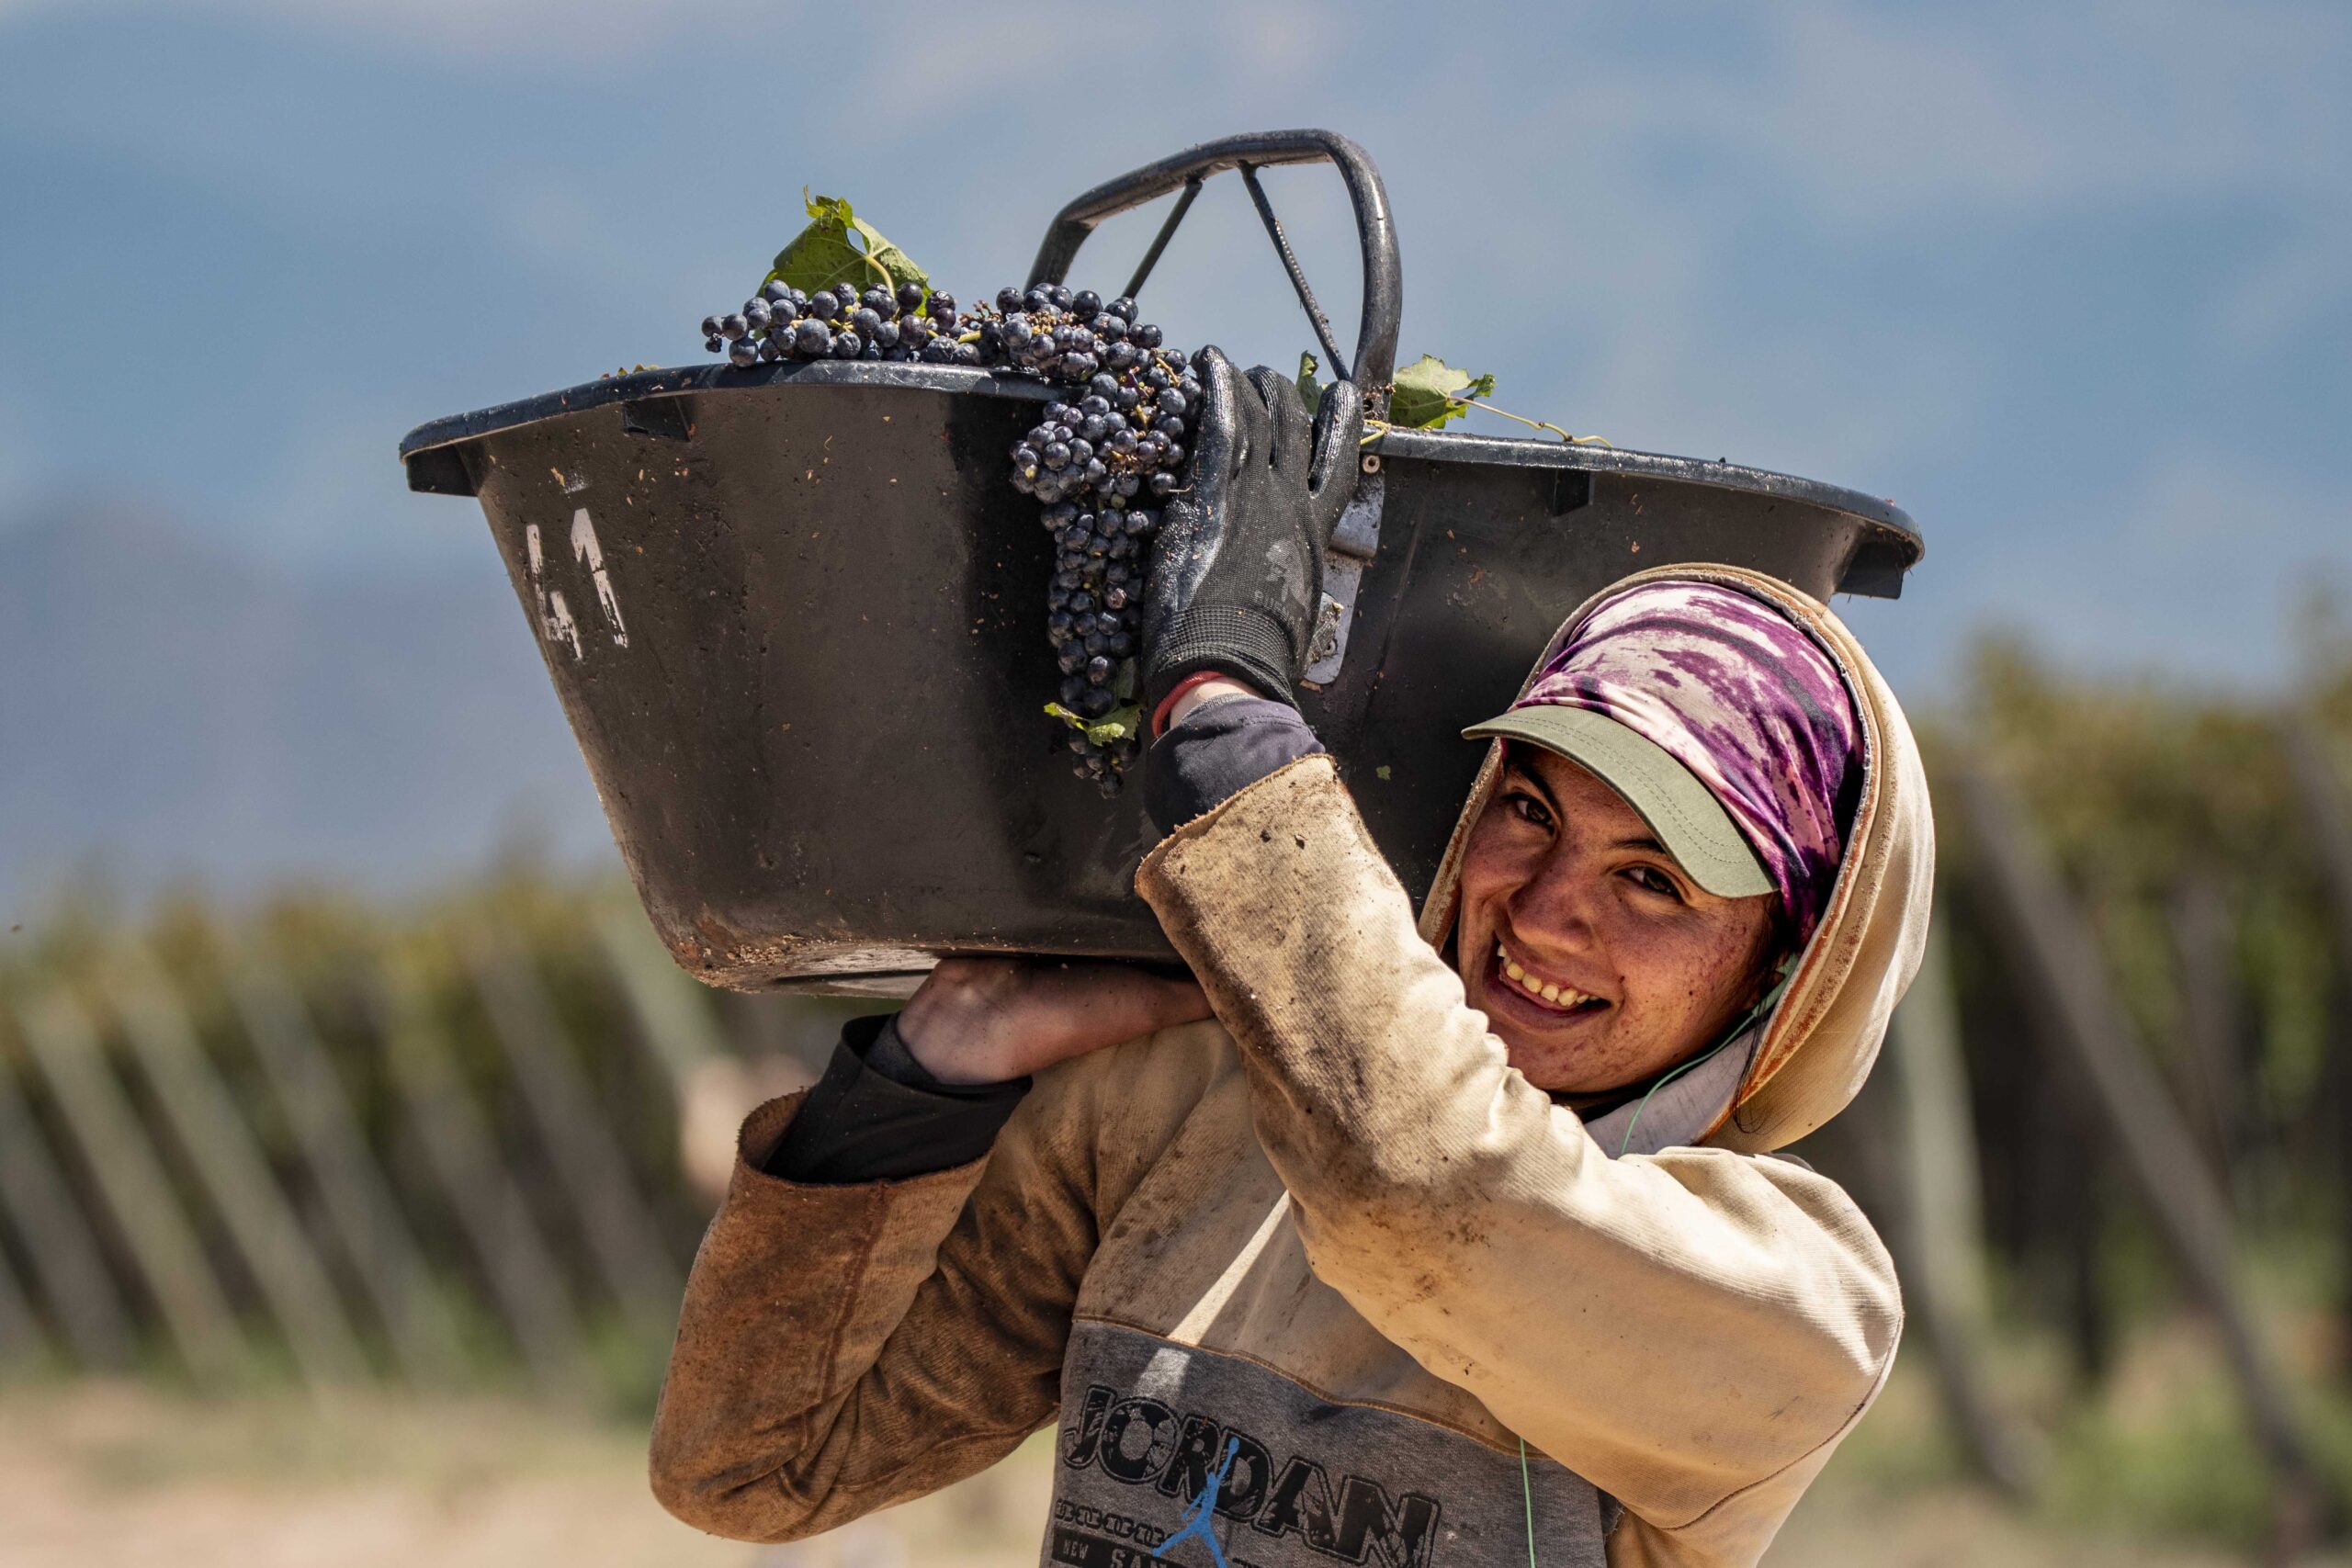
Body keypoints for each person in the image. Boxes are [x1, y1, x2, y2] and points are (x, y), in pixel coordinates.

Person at [649, 353, 1934, 1568]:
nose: (1543, 912)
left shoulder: (1789, 1306)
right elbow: (752, 1465)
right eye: (1529, 810)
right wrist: (934, 1067)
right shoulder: (1185, 1118)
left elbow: (1428, 1193)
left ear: (1787, 974)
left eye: (1651, 881)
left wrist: (1218, 716)